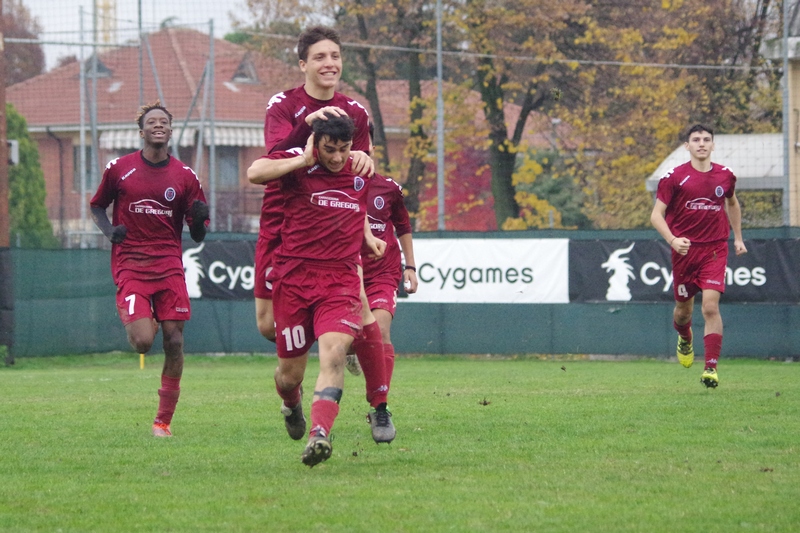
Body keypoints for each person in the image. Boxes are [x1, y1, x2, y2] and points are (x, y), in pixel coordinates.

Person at [257, 26, 395, 443]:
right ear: (303, 64)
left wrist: (364, 230)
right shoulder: (284, 105)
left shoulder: (355, 111)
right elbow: (271, 159)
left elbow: (357, 177)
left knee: (360, 316)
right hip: (283, 228)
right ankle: (292, 396)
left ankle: (378, 406)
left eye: (335, 55)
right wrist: (307, 128)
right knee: (269, 330)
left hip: (336, 234)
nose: (329, 63)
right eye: (319, 57)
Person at [247, 113, 387, 467]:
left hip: (340, 280)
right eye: (329, 149)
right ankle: (291, 403)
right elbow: (254, 173)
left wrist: (368, 237)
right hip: (294, 281)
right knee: (289, 376)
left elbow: (357, 207)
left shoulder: (360, 170)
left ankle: (320, 434)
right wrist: (302, 160)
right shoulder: (298, 166)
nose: (337, 157)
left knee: (335, 353)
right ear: (315, 144)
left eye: (344, 149)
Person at [90, 101, 209, 437]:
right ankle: (145, 318)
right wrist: (110, 232)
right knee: (143, 342)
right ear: (141, 131)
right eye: (152, 122)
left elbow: (197, 233)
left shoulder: (185, 176)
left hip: (169, 264)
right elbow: (97, 206)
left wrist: (198, 221)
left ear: (171, 131)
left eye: (164, 122)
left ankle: (162, 422)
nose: (158, 125)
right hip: (131, 263)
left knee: (174, 340)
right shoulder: (120, 168)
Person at [650, 124, 747, 388]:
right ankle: (685, 337)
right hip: (685, 251)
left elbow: (732, 203)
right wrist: (673, 240)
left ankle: (710, 368)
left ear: (713, 145)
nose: (701, 143)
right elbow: (656, 215)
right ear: (687, 146)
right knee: (683, 312)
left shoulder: (725, 175)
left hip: (715, 249)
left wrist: (738, 238)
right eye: (696, 139)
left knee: (710, 307)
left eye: (706, 139)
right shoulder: (674, 177)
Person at [360, 123, 418, 390]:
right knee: (351, 338)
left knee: (381, 330)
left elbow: (403, 226)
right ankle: (352, 351)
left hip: (382, 273)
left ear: (372, 148)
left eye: (364, 146)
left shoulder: (389, 188)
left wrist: (411, 267)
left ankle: (379, 404)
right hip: (346, 272)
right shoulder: (333, 188)